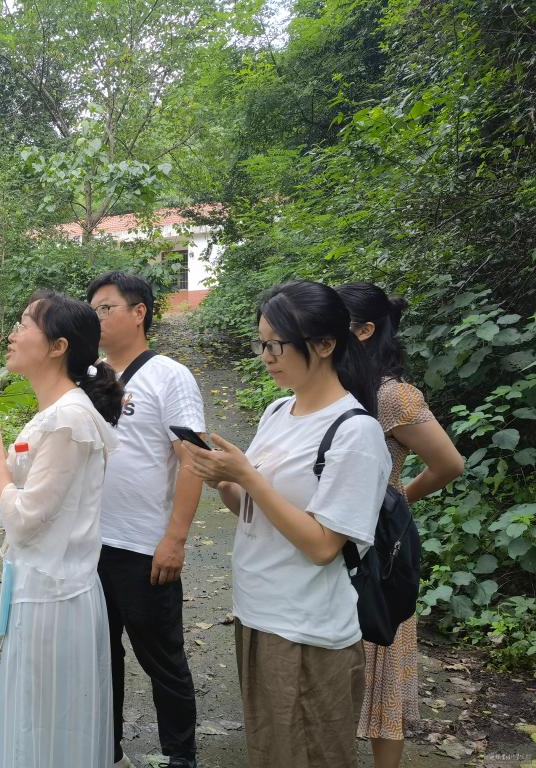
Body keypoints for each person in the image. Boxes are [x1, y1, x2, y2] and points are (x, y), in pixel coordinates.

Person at [183, 280, 392, 768]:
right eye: (261, 344)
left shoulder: (355, 432)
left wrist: (248, 477)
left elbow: (322, 546)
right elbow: (254, 509)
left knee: (308, 756)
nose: (266, 357)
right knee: (270, 752)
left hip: (307, 629)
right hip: (257, 612)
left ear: (325, 344)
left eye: (276, 345)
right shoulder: (278, 411)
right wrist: (224, 480)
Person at [0, 290, 123, 768]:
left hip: (54, 597)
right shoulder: (56, 414)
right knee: (39, 721)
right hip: (43, 589)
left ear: (57, 346)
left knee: (46, 727)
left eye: (24, 324)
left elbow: (26, 519)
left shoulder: (68, 420)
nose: (12, 334)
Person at [336, 281, 464, 768]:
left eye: (333, 324)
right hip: (329, 536)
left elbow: (448, 463)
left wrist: (397, 497)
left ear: (364, 331)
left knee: (382, 662)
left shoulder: (393, 396)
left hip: (378, 550)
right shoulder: (334, 386)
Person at [86, 272, 204, 768]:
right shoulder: (87, 376)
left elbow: (193, 461)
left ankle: (180, 755)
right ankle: (105, 750)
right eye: (92, 309)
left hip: (144, 547)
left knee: (162, 658)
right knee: (100, 658)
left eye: (106, 308)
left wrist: (174, 539)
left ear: (139, 313)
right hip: (90, 545)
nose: (96, 317)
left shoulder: (170, 376)